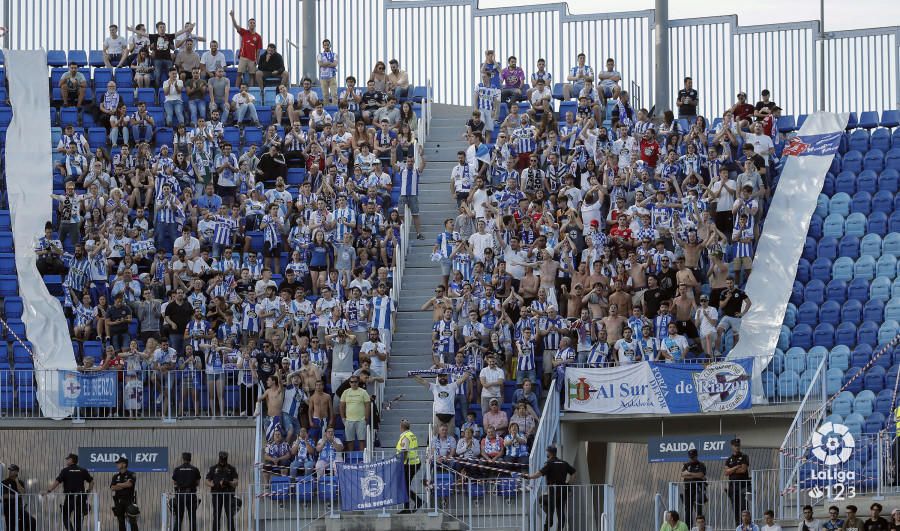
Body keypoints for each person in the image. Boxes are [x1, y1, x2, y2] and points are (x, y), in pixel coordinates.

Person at [525, 445, 576, 531]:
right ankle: (559, 529)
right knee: (560, 511)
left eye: (547, 452)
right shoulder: (564, 463)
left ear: (549, 453)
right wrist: (568, 484)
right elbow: (574, 473)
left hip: (553, 489)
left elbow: (539, 474)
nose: (546, 453)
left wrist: (529, 477)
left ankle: (548, 525)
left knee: (545, 503)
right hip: (563, 489)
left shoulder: (549, 463)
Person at [44, 453, 94, 531]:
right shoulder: (83, 470)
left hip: (70, 497)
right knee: (78, 518)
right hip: (80, 497)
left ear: (71, 460)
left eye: (68, 459)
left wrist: (48, 491)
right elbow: (91, 481)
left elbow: (57, 482)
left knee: (65, 516)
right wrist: (88, 491)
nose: (67, 460)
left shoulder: (65, 470)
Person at [412, 369, 471, 433]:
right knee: (436, 436)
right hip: (438, 415)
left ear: (447, 377)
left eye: (444, 376)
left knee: (450, 437)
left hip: (450, 415)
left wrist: (468, 370)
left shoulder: (452, 386)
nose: (442, 377)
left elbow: (463, 378)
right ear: (438, 378)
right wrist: (413, 375)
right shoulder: (434, 387)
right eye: (440, 376)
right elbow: (422, 381)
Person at [396, 153, 427, 240]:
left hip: (413, 195)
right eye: (408, 161)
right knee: (400, 214)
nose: (410, 163)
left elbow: (423, 165)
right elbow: (392, 164)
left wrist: (421, 155)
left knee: (415, 215)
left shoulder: (416, 171)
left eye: (411, 161)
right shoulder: (402, 170)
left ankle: (418, 234)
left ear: (413, 162)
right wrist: (394, 151)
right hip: (403, 195)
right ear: (406, 162)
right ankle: (404, 230)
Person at [230, 9, 263, 87]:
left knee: (252, 75)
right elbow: (236, 26)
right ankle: (236, 90)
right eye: (250, 23)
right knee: (239, 74)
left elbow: (258, 50)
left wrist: (257, 60)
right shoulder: (244, 32)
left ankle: (251, 91)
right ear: (248, 24)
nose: (252, 24)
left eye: (253, 23)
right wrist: (232, 17)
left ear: (255, 25)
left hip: (252, 59)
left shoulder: (258, 37)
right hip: (243, 57)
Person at [206, 451, 238, 531]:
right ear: (219, 458)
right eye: (221, 459)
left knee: (230, 515)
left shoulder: (231, 468)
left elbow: (236, 482)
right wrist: (215, 485)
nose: (223, 460)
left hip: (228, 493)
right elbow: (207, 481)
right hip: (217, 494)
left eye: (224, 459)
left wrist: (228, 483)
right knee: (216, 515)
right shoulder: (213, 468)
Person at [396, 419, 423, 514]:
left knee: (403, 485)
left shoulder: (405, 437)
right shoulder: (412, 435)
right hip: (414, 463)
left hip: (408, 464)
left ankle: (412, 505)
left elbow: (404, 452)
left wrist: (401, 464)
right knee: (404, 485)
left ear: (401, 427)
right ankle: (412, 504)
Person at [339, 375, 370, 451]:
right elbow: (342, 406)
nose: (353, 383)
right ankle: (350, 459)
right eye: (351, 382)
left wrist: (366, 418)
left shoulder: (363, 392)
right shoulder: (345, 392)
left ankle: (363, 459)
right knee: (350, 441)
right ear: (349, 383)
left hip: (361, 420)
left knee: (362, 440)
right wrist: (343, 418)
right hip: (349, 420)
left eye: (355, 382)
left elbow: (367, 405)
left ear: (358, 382)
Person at [171, 452, 201, 531]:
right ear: (190, 459)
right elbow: (198, 483)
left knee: (179, 517)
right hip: (191, 494)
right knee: (192, 516)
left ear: (183, 459)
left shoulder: (177, 469)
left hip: (180, 494)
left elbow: (174, 482)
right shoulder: (194, 469)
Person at [724, 438, 751, 526]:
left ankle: (746, 526)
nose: (737, 447)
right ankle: (738, 526)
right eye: (735, 446)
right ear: (732, 447)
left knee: (744, 507)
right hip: (733, 486)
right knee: (735, 508)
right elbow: (726, 472)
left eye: (738, 445)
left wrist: (731, 470)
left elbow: (743, 470)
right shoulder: (729, 459)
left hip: (743, 485)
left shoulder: (744, 456)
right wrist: (735, 467)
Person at [2, 464, 36, 531]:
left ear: (16, 472)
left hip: (19, 508)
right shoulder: (4, 482)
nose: (10, 471)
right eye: (10, 470)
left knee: (32, 521)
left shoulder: (20, 482)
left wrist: (17, 481)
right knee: (11, 526)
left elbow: (22, 493)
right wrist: (14, 496)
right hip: (9, 508)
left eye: (12, 470)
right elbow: (3, 495)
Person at [110, 457, 139, 531]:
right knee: (121, 521)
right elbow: (113, 487)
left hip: (129, 501)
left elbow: (129, 484)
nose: (117, 465)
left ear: (124, 464)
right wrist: (124, 485)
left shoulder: (131, 474)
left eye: (118, 463)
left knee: (132, 521)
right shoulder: (115, 476)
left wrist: (119, 484)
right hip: (118, 501)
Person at [681, 448, 706, 526]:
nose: (692, 458)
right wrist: (695, 475)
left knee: (698, 509)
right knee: (688, 510)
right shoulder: (686, 465)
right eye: (690, 457)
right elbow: (683, 475)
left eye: (693, 457)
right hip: (688, 490)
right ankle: (689, 528)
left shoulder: (701, 465)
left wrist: (689, 473)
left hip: (698, 489)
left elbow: (701, 475)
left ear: (696, 456)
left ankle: (700, 527)